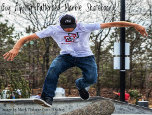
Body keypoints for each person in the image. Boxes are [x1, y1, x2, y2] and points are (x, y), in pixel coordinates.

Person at [3, 14, 148, 107]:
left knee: (91, 78)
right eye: (65, 28)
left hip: (85, 57)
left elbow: (112, 24)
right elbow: (26, 38)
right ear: (60, 25)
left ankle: (80, 84)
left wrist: (134, 25)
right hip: (66, 56)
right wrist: (16, 48)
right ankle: (47, 97)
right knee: (53, 69)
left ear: (76, 23)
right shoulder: (53, 29)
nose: (68, 31)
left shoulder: (84, 26)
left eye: (71, 28)